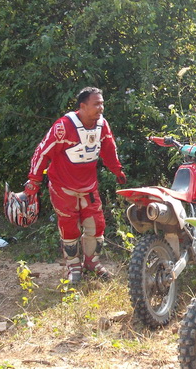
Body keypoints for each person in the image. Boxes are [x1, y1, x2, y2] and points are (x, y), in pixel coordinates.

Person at [24, 87, 126, 283]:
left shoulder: (102, 125)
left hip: (89, 187)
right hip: (63, 187)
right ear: (82, 106)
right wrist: (34, 180)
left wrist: (117, 170)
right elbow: (42, 152)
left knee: (96, 225)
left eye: (102, 103)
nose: (101, 108)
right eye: (96, 104)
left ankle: (92, 263)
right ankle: (73, 266)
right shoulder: (63, 127)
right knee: (69, 227)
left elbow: (109, 149)